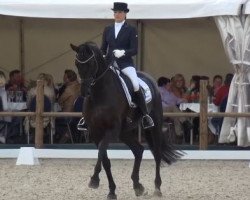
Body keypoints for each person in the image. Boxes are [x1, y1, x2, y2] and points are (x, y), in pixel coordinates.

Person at [100, 2, 154, 129]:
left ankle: (145, 115)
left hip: (125, 64)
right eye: (115, 12)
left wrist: (123, 52)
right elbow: (103, 48)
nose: (117, 14)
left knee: (135, 84)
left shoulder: (131, 30)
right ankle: (85, 117)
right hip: (110, 64)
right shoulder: (107, 29)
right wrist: (102, 56)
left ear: (125, 14)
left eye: (119, 12)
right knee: (95, 81)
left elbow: (134, 50)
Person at [157, 76, 192, 143]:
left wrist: (184, 100)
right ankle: (185, 122)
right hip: (161, 111)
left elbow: (176, 100)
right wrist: (169, 106)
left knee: (177, 116)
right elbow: (160, 101)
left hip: (170, 111)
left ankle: (179, 136)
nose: (170, 85)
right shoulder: (159, 90)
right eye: (169, 83)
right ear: (164, 84)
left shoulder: (169, 92)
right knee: (174, 108)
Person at [24, 73, 56, 143]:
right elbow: (52, 104)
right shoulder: (51, 91)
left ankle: (32, 137)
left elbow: (28, 105)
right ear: (47, 81)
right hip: (47, 116)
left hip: (33, 116)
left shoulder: (32, 91)